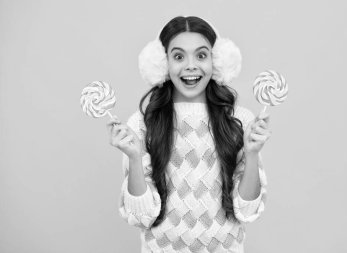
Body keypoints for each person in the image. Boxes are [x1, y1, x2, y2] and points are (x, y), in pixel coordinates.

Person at [106, 16, 271, 253]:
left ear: (217, 62)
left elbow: (246, 211)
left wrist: (252, 154)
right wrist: (134, 158)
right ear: (162, 64)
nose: (190, 66)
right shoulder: (142, 124)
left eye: (201, 55)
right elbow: (141, 217)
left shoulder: (240, 120)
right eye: (178, 56)